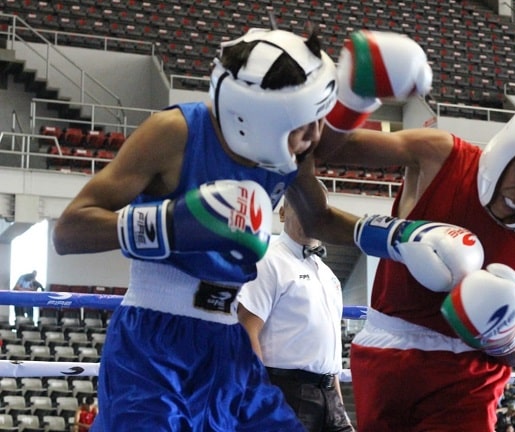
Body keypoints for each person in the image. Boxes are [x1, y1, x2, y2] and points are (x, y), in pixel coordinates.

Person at [52, 27, 432, 431]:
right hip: (153, 341)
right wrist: (173, 224)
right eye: (306, 126)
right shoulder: (174, 133)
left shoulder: (287, 151)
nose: (315, 139)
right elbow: (69, 231)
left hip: (228, 343)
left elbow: (319, 218)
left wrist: (397, 238)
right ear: (260, 119)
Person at [299, 75, 515, 429]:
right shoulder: (440, 156)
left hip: (471, 374)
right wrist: (355, 93)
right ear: (510, 148)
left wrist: (503, 336)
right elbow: (313, 150)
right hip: (385, 355)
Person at [237, 190, 354, 432]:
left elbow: (328, 353)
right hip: (285, 392)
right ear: (282, 213)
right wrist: (261, 397)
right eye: (302, 207)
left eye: (318, 211)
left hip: (329, 396)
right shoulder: (268, 260)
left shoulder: (328, 275)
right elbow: (246, 330)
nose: (311, 217)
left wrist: (340, 408)